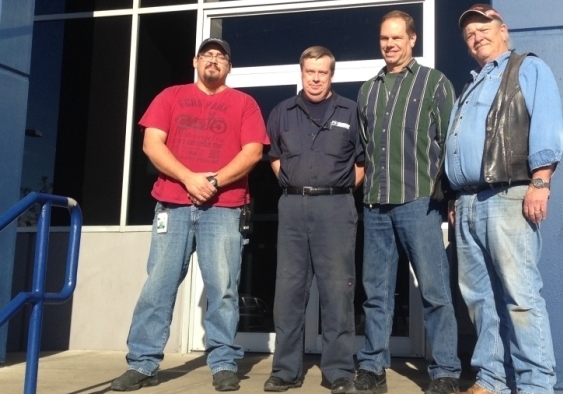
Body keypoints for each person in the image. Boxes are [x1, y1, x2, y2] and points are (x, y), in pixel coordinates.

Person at [110, 37, 268, 392]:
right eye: (208, 55)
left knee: (223, 289)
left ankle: (224, 363)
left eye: (221, 57)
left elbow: (253, 152)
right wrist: (188, 178)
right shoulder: (170, 96)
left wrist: (212, 181)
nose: (214, 61)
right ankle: (143, 363)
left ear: (229, 67)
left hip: (224, 209)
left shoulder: (244, 103)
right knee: (158, 287)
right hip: (172, 205)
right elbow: (152, 143)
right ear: (195, 61)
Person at [445, 5, 563, 394]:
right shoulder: (471, 86)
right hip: (466, 202)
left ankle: (536, 384)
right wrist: (454, 196)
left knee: (521, 296)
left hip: (508, 195)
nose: (476, 36)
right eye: (469, 34)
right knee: (480, 300)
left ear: (502, 29)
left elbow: (547, 121)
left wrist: (541, 181)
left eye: (483, 28)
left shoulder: (526, 68)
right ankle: (491, 379)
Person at [349, 10, 461, 394]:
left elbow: (450, 143)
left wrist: (450, 196)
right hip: (376, 203)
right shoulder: (369, 89)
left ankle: (445, 371)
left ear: (412, 39)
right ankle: (372, 368)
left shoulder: (434, 83)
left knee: (434, 290)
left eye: (397, 37)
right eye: (384, 38)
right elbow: (365, 147)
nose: (390, 44)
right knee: (375, 293)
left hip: (418, 201)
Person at [263, 46, 364, 394]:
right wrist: (295, 186)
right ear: (301, 73)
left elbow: (361, 163)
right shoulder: (282, 112)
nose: (316, 78)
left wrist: (333, 190)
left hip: (335, 209)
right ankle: (285, 371)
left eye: (322, 72)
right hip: (292, 208)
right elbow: (275, 157)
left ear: (331, 75)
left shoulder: (351, 111)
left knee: (337, 291)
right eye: (310, 72)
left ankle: (338, 371)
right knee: (288, 292)